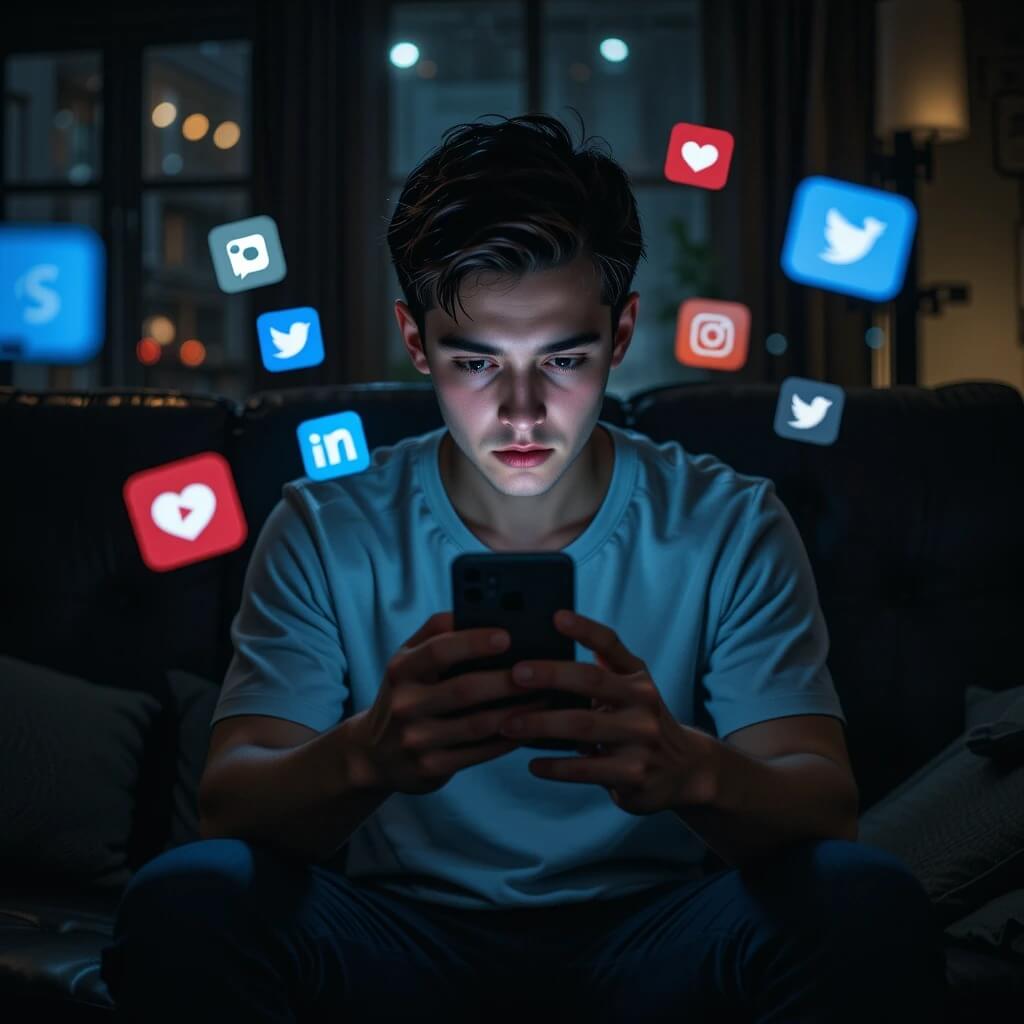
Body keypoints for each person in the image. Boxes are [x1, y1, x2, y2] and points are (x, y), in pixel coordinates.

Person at [100, 111, 946, 1023]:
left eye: (564, 359)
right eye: (475, 362)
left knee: (864, 898)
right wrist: (368, 754)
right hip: (399, 937)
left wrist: (688, 769)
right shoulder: (325, 524)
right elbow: (231, 805)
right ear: (417, 342)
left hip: (657, 933)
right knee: (187, 898)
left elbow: (824, 806)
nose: (521, 412)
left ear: (621, 335)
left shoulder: (728, 521)